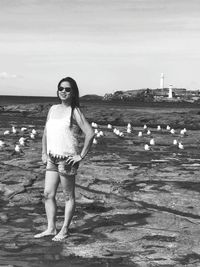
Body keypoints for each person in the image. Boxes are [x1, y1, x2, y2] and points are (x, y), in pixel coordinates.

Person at [34, 77, 95, 241]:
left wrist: (80, 156)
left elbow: (90, 133)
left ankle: (65, 230)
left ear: (73, 92)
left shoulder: (74, 111)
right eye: (61, 88)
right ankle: (51, 228)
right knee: (48, 194)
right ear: (57, 90)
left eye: (68, 89)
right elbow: (46, 132)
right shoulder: (53, 109)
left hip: (67, 160)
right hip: (52, 158)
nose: (64, 91)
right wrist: (43, 152)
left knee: (68, 196)